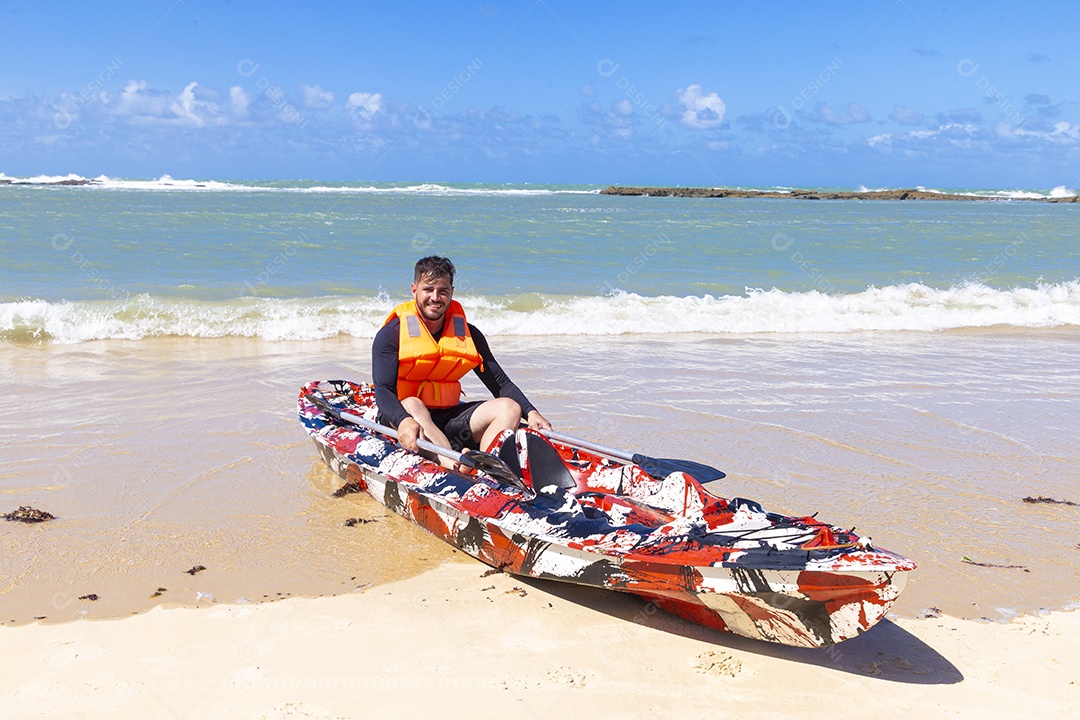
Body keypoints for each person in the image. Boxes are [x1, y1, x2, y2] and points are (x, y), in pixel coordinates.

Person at [372, 256, 551, 466]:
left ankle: (487, 466)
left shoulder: (468, 334)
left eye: (443, 291)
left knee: (510, 408)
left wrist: (531, 412)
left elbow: (499, 383)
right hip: (406, 417)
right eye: (428, 289)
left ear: (452, 293)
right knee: (413, 403)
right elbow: (383, 390)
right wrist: (402, 419)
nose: (435, 297)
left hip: (448, 419)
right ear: (414, 290)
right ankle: (456, 466)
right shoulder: (391, 334)